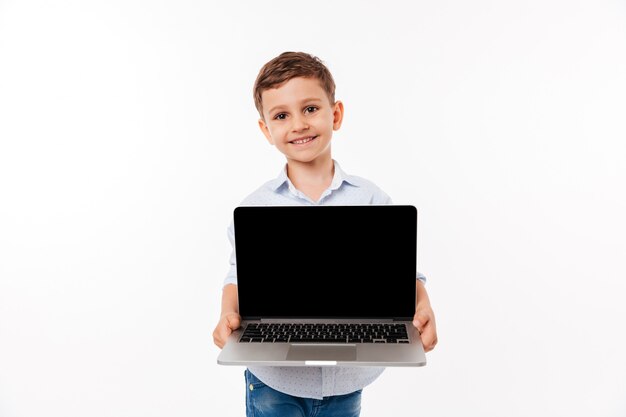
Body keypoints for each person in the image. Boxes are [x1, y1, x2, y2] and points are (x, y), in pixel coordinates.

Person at [212, 51, 437, 417]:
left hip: (347, 382)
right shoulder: (255, 207)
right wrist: (227, 314)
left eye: (310, 109)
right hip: (274, 382)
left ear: (336, 114)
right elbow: (238, 276)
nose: (298, 124)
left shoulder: (371, 199)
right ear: (266, 130)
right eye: (281, 115)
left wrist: (423, 304)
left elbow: (404, 274)